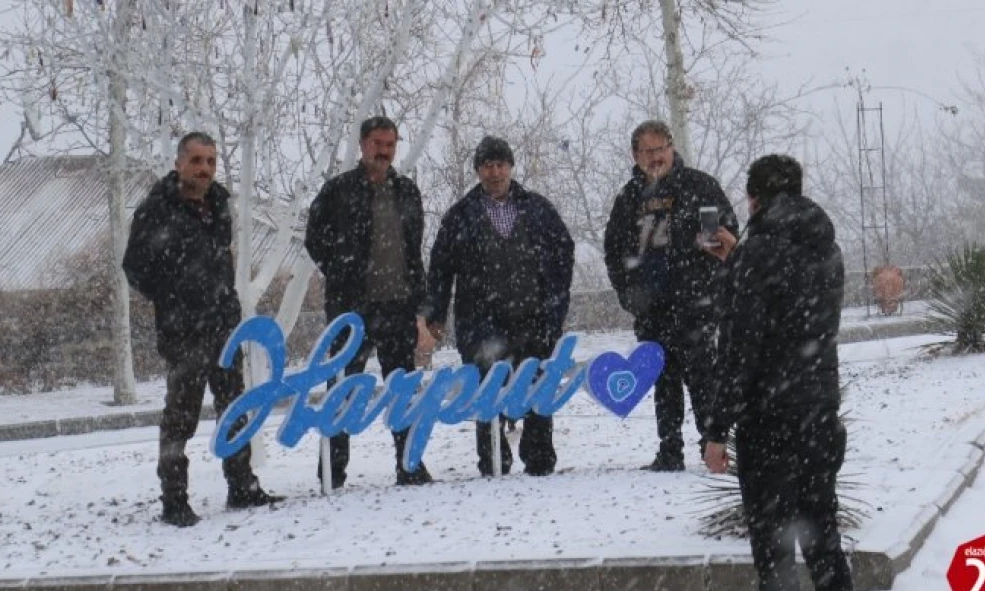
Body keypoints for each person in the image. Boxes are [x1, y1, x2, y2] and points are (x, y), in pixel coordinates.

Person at [701, 154, 855, 591]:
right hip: (819, 411)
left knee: (775, 553)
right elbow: (798, 316)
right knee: (823, 538)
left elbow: (740, 349)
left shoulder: (757, 254)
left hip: (768, 421)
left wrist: (715, 429)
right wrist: (739, 262)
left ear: (753, 199)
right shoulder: (826, 249)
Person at [123, 131, 284, 528]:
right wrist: (175, 297)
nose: (205, 169)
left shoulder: (219, 205)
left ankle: (242, 485)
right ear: (179, 163)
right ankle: (174, 498)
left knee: (235, 409)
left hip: (224, 325)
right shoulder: (156, 211)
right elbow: (135, 269)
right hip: (184, 331)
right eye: (196, 161)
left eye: (211, 161)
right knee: (181, 416)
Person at [419, 136, 574, 477]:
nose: (494, 172)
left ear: (511, 167)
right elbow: (441, 270)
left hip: (533, 319)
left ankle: (539, 458)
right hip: (480, 323)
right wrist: (434, 318)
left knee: (536, 388)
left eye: (500, 164)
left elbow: (564, 253)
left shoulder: (537, 209)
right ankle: (492, 460)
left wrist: (555, 305)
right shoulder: (460, 215)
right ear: (477, 170)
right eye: (487, 165)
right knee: (487, 392)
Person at [305, 116, 434, 487]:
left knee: (403, 390)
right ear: (362, 145)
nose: (384, 151)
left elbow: (414, 254)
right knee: (342, 389)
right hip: (351, 312)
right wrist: (342, 271)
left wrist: (421, 307)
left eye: (391, 145)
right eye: (378, 144)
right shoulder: (338, 191)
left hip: (399, 307)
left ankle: (410, 465)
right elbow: (314, 239)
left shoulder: (407, 192)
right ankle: (333, 472)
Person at [603, 120, 738, 472]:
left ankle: (712, 446)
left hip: (697, 302)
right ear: (636, 155)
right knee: (662, 380)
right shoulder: (628, 198)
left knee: (703, 376)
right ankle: (669, 448)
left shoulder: (699, 186)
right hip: (651, 307)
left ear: (671, 148)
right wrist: (628, 295)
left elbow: (729, 234)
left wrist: (711, 263)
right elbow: (614, 250)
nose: (656, 157)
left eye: (661, 149)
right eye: (648, 151)